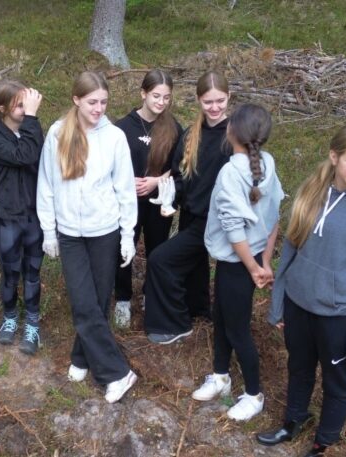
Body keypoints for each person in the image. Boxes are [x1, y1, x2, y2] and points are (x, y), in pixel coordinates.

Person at [255, 123, 346, 456]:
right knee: (299, 368)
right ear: (335, 157)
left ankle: (323, 442)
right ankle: (293, 422)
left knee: (337, 383)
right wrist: (278, 303)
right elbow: (290, 251)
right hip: (299, 305)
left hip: (338, 315)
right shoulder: (313, 190)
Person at [37, 71, 138, 403]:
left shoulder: (114, 137)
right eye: (92, 102)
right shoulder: (57, 133)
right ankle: (118, 373)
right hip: (69, 234)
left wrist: (127, 236)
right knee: (83, 303)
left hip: (105, 231)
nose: (99, 108)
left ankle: (83, 357)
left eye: (104, 102)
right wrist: (49, 230)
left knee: (96, 301)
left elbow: (125, 190)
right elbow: (47, 185)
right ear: (76, 100)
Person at [193, 104, 282, 423]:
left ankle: (254, 394)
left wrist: (254, 267)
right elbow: (274, 218)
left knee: (237, 329)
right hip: (251, 258)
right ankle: (220, 376)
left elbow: (233, 229)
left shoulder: (231, 172)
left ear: (232, 132)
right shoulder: (267, 162)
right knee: (221, 316)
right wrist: (265, 261)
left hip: (238, 262)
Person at [143, 70, 231, 344]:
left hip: (217, 220)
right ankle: (197, 309)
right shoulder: (191, 134)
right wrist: (170, 199)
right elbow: (181, 176)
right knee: (194, 266)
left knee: (160, 260)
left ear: (229, 98)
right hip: (192, 214)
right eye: (208, 102)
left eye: (220, 101)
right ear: (198, 101)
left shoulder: (236, 134)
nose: (214, 107)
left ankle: (175, 323)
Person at [0, 80, 46, 355]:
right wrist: (31, 117)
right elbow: (23, 155)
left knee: (32, 272)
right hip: (7, 216)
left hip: (33, 215)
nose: (25, 109)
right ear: (3, 108)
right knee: (10, 272)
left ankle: (32, 323)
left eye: (25, 103)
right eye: (19, 105)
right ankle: (9, 317)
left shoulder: (33, 128)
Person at [112, 69, 182, 328]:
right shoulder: (122, 127)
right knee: (123, 249)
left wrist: (156, 181)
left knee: (157, 250)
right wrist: (127, 181)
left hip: (157, 202)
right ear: (143, 93)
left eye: (166, 97)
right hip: (127, 202)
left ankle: (150, 294)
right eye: (156, 96)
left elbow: (179, 166)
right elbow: (111, 164)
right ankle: (122, 298)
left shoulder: (173, 127)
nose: (161, 102)